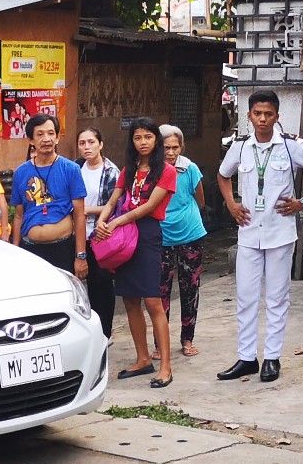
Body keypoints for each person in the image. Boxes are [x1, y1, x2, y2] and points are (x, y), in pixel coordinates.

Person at [216, 89, 303, 383]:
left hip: (280, 232)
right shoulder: (241, 147)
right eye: (258, 114)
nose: (263, 119)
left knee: (277, 298)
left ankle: (271, 358)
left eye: (269, 114)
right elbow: (222, 174)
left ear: (277, 116)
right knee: (245, 298)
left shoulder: (290, 146)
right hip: (248, 232)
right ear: (249, 116)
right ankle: (246, 358)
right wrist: (231, 204)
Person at [98, 118, 176, 388]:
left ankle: (165, 365)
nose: (143, 142)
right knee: (130, 300)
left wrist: (116, 221)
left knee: (153, 301)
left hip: (146, 233)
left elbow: (149, 206)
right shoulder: (128, 169)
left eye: (148, 137)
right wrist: (102, 220)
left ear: (156, 140)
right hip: (123, 236)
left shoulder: (166, 171)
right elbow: (113, 200)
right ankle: (143, 359)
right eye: (138, 138)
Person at [10, 112, 89, 281]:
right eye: (40, 134)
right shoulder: (21, 172)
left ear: (58, 138)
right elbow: (18, 215)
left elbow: (79, 215)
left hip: (62, 249)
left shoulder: (71, 169)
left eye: (51, 133)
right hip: (30, 249)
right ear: (31, 140)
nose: (46, 139)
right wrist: (16, 252)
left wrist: (80, 256)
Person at [157, 123, 208, 358]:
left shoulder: (190, 169)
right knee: (160, 291)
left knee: (190, 288)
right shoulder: (151, 170)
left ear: (181, 147)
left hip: (190, 234)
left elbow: (201, 200)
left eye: (175, 147)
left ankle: (187, 340)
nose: (170, 152)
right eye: (166, 147)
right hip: (161, 236)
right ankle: (160, 344)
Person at [76, 126, 121, 337]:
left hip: (100, 235)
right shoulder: (75, 168)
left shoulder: (111, 172)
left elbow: (117, 205)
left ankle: (105, 332)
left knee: (101, 283)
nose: (87, 147)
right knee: (81, 285)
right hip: (77, 234)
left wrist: (86, 211)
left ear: (101, 144)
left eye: (91, 142)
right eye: (82, 143)